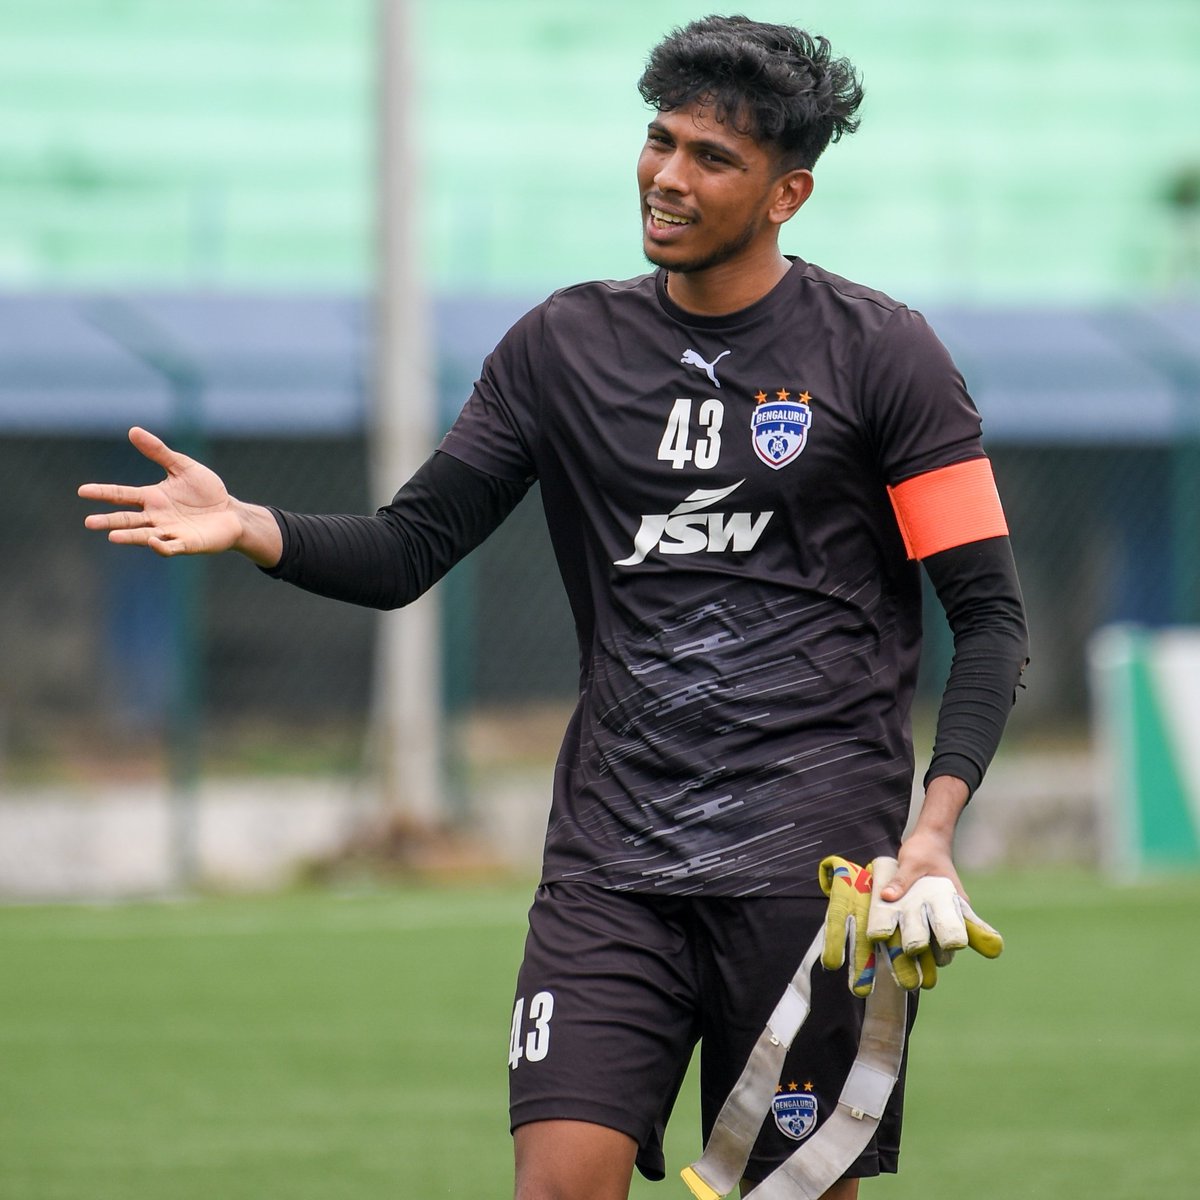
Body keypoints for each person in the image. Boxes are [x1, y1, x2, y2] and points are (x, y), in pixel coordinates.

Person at [79, 15, 1029, 1200]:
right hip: (611, 863)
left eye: (712, 159)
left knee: (794, 1196)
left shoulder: (888, 356)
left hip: (813, 869)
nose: (669, 178)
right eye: (660, 141)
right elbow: (408, 547)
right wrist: (257, 526)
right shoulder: (562, 348)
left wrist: (930, 832)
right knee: (555, 1185)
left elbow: (988, 617)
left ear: (790, 192)